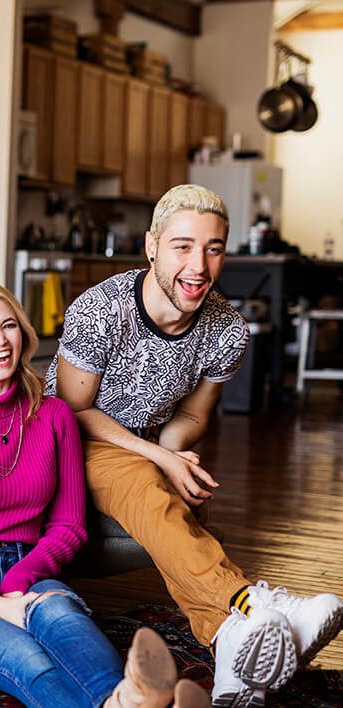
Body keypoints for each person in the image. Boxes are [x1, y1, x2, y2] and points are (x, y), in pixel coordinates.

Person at [48, 184, 343, 707]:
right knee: (146, 481)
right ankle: (252, 602)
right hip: (66, 442)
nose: (199, 265)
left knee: (176, 497)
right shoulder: (101, 309)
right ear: (152, 246)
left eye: (213, 248)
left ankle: (227, 640)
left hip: (139, 445)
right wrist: (159, 457)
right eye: (183, 246)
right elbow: (71, 411)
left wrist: (176, 452)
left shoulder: (228, 328)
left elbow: (191, 415)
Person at [0, 277, 210, 708]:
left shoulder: (54, 416)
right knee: (29, 660)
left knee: (63, 621)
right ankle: (126, 702)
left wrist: (20, 580)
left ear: (24, 334)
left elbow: (69, 526)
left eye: (8, 326)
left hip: (32, 568)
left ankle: (126, 700)